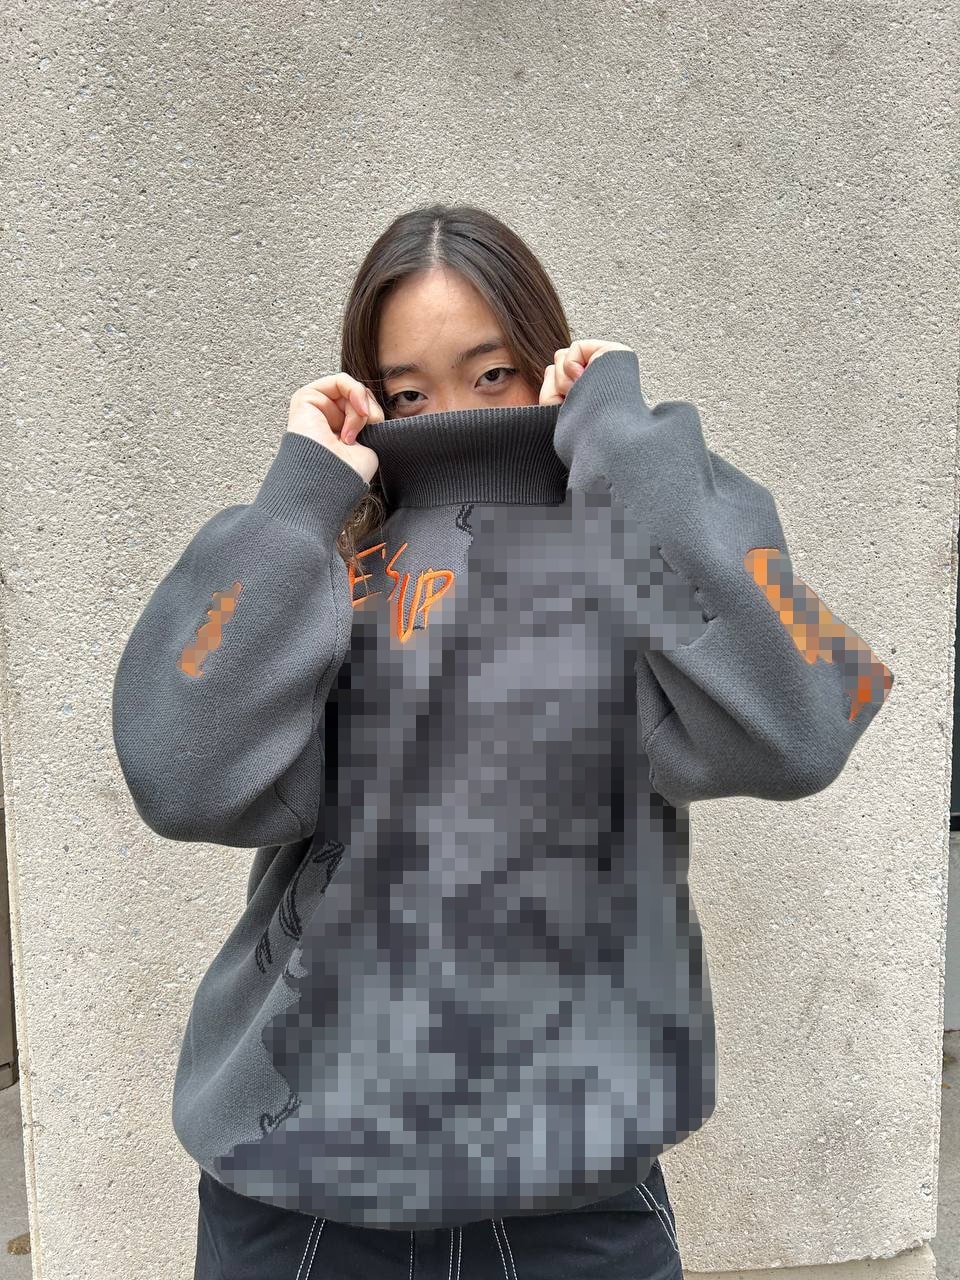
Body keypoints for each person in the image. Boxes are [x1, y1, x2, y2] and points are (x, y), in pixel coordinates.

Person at [112, 204, 894, 1279]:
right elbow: (174, 771)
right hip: (299, 1199)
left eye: (492, 375)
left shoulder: (637, 560)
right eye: (408, 392)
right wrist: (296, 499)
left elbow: (807, 716)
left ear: (546, 359)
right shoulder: (324, 570)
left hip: (572, 1202)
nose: (452, 415)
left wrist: (625, 440)